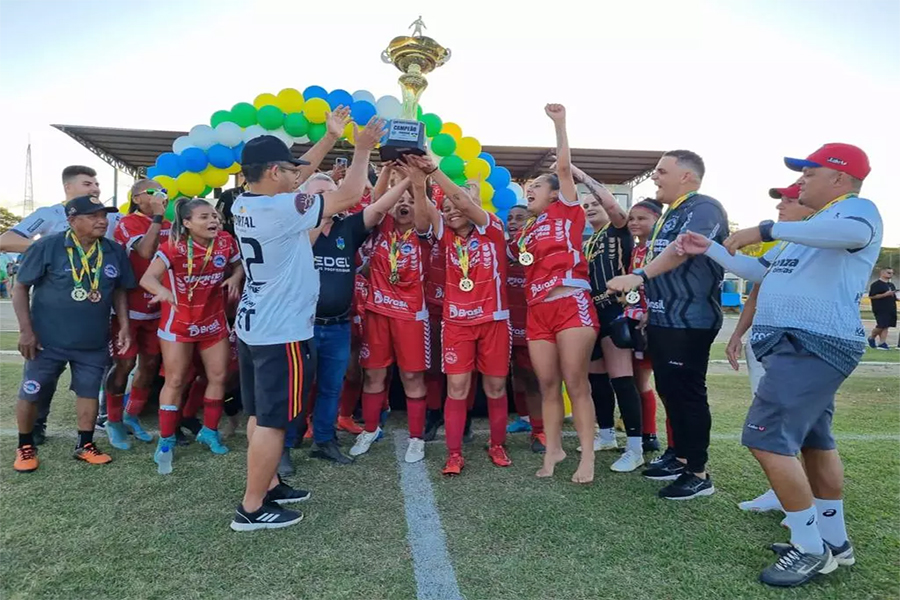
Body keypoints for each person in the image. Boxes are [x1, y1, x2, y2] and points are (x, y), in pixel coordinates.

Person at [675, 143, 880, 586]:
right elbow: (759, 272)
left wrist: (766, 227)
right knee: (815, 442)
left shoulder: (856, 210)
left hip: (811, 344)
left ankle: (810, 548)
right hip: (805, 345)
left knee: (765, 438)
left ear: (839, 179)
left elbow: (855, 234)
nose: (801, 181)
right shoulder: (810, 229)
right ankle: (835, 542)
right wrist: (710, 248)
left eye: (810, 172)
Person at [230, 120, 384, 532]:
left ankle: (269, 485)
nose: (297, 175)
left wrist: (330, 138)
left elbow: (297, 176)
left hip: (255, 324)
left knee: (259, 413)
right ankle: (251, 507)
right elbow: (349, 195)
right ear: (273, 172)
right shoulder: (281, 208)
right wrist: (362, 149)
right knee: (273, 421)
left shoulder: (244, 203)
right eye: (288, 169)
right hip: (281, 331)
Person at [607, 149, 728, 500]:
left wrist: (639, 276)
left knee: (688, 395)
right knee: (669, 391)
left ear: (686, 176)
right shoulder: (670, 213)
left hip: (691, 320)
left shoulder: (704, 207)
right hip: (662, 317)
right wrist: (648, 307)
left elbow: (683, 249)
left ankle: (699, 473)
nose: (654, 177)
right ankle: (679, 456)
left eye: (661, 171)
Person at [279, 172, 411, 471]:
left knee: (331, 387)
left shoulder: (348, 227)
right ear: (304, 200)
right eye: (319, 194)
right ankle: (284, 445)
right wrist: (317, 219)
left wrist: (408, 178)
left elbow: (379, 208)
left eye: (331, 192)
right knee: (295, 389)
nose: (327, 199)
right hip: (299, 326)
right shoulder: (293, 229)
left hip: (338, 325)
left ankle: (324, 440)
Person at [402, 155, 513, 475]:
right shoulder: (445, 234)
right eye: (446, 208)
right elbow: (425, 214)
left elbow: (462, 200)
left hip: (493, 320)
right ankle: (454, 454)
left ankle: (497, 445)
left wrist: (434, 170)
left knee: (495, 388)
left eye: (455, 206)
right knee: (457, 389)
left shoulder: (492, 228)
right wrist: (419, 184)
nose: (450, 211)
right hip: (456, 324)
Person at [11, 195, 135, 473]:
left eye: (103, 215)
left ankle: (85, 444)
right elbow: (20, 287)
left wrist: (125, 325)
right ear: (72, 220)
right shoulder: (47, 246)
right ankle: (25, 445)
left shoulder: (113, 250)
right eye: (93, 216)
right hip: (46, 341)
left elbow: (119, 291)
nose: (102, 221)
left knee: (88, 391)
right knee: (32, 391)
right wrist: (26, 331)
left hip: (92, 341)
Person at [515, 104, 599, 484]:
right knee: (547, 384)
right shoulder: (527, 230)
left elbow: (564, 169)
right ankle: (553, 450)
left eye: (537, 186)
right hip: (537, 311)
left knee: (575, 382)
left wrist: (560, 124)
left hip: (570, 303)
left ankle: (587, 457)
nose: (529, 190)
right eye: (528, 187)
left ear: (555, 195)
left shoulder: (568, 211)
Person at [0, 165, 115, 444]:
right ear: (68, 187)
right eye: (87, 184)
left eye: (96, 184)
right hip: (54, 314)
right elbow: (6, 240)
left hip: (97, 308)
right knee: (44, 375)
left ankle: (103, 418)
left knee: (99, 370)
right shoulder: (49, 215)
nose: (95, 188)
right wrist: (56, 250)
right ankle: (37, 424)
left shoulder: (109, 217)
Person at [139, 197, 244, 468]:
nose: (213, 221)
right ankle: (166, 439)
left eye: (215, 216)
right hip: (179, 324)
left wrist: (235, 277)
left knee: (218, 376)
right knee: (175, 380)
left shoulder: (226, 242)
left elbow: (239, 265)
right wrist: (162, 291)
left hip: (212, 322)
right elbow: (147, 278)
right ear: (187, 223)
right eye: (205, 217)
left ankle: (209, 431)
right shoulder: (173, 247)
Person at [730, 183, 814, 515]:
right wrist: (738, 334)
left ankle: (806, 504)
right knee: (776, 423)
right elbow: (756, 290)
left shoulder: (821, 244)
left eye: (790, 200)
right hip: (765, 342)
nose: (781, 206)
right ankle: (783, 492)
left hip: (797, 347)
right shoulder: (782, 245)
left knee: (793, 424)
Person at [349, 165, 432, 464]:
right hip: (377, 312)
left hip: (411, 316)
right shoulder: (382, 226)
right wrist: (386, 169)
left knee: (411, 376)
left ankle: (416, 438)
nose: (403, 204)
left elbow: (422, 212)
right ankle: (370, 429)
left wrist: (415, 181)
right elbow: (377, 199)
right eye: (400, 200)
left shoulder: (424, 232)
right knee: (373, 374)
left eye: (410, 200)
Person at [576, 164, 645, 473]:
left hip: (616, 311)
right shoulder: (588, 241)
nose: (591, 208)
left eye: (595, 203)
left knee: (622, 380)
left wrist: (580, 176)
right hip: (593, 313)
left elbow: (613, 206)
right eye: (586, 206)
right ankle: (605, 436)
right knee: (597, 379)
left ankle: (635, 448)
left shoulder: (619, 230)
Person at [103, 179, 172, 449]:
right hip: (129, 308)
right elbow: (145, 251)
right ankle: (113, 420)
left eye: (163, 192)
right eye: (153, 192)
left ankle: (131, 415)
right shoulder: (128, 222)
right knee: (125, 364)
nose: (160, 196)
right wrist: (157, 217)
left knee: (151, 364)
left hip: (158, 307)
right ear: (136, 198)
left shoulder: (170, 225)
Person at [622, 200, 664, 453]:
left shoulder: (661, 250)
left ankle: (653, 435)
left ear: (657, 221)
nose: (635, 223)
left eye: (641, 218)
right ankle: (645, 432)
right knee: (637, 380)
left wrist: (649, 311)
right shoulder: (635, 250)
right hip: (633, 319)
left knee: (654, 382)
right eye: (632, 218)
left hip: (654, 321)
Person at [505, 205, 546, 454]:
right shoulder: (501, 249)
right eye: (509, 218)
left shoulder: (538, 249)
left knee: (531, 377)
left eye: (519, 218)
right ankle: (523, 418)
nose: (513, 222)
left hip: (531, 324)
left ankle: (539, 431)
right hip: (505, 324)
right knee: (515, 375)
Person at [867, 267, 896, 350]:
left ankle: (882, 343)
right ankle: (871, 337)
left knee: (886, 326)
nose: (890, 274)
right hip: (880, 308)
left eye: (892, 273)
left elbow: (893, 296)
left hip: (891, 307)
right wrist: (885, 294)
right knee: (881, 325)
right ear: (882, 273)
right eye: (888, 273)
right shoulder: (876, 284)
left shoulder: (891, 285)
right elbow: (872, 296)